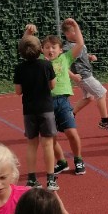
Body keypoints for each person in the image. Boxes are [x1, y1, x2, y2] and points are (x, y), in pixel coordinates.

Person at [38, 19, 86, 176]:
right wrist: (29, 34)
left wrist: (75, 26)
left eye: (53, 47)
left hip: (63, 102)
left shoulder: (65, 58)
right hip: (46, 103)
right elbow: (26, 48)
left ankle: (78, 160)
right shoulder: (40, 63)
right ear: (42, 50)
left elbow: (79, 43)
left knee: (72, 133)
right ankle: (62, 162)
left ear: (60, 50)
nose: (50, 50)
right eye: (47, 48)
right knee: (51, 137)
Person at [14, 34, 59, 190]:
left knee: (31, 144)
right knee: (47, 144)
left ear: (21, 52)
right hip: (46, 108)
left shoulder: (19, 68)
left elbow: (18, 91)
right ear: (40, 49)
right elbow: (52, 85)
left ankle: (32, 179)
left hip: (29, 110)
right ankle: (51, 179)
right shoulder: (46, 65)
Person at [62, 19, 108, 133]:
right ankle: (104, 120)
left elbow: (81, 55)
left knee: (88, 98)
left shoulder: (78, 44)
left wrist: (89, 56)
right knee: (101, 93)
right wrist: (73, 76)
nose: (78, 33)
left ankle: (70, 115)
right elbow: (62, 64)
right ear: (67, 34)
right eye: (75, 31)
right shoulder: (67, 47)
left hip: (84, 74)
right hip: (83, 76)